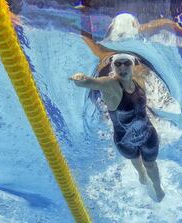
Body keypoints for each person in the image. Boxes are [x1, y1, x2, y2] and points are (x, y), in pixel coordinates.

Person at [71, 7, 166, 201]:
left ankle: (157, 187)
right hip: (125, 141)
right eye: (117, 64)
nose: (122, 67)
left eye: (126, 64)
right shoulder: (110, 85)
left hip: (148, 135)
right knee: (139, 166)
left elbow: (159, 30)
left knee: (151, 165)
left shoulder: (139, 74)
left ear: (132, 65)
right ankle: (141, 176)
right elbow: (93, 82)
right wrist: (81, 79)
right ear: (112, 67)